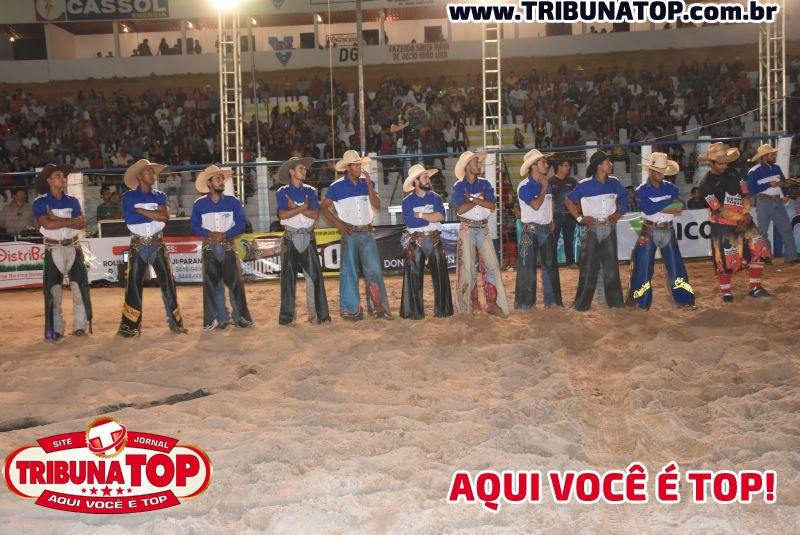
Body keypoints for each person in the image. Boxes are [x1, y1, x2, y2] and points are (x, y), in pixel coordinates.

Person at [117, 159, 188, 337]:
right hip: (141, 244)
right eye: (148, 172)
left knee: (168, 284)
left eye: (152, 171)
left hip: (154, 243)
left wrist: (140, 211)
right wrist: (154, 215)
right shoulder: (129, 197)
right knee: (133, 286)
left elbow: (165, 217)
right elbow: (131, 220)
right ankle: (131, 328)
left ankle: (175, 324)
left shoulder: (159, 195)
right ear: (139, 176)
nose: (152, 174)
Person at [320, 150, 392, 321]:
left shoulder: (367, 183)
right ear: (348, 168)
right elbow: (324, 207)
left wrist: (369, 186)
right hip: (350, 232)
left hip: (366, 231)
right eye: (356, 165)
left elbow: (377, 205)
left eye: (360, 164)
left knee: (374, 271)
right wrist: (338, 223)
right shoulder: (336, 187)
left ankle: (378, 308)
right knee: (349, 272)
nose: (359, 167)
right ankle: (351, 310)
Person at [699, 142, 772, 302]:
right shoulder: (705, 184)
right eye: (720, 163)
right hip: (722, 226)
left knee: (759, 248)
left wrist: (746, 213)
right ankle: (727, 292)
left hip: (744, 219)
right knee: (725, 259)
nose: (724, 165)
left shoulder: (735, 173)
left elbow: (745, 193)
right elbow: (717, 209)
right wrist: (741, 218)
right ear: (711, 163)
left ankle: (755, 287)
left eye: (726, 162)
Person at [32, 164, 92, 340]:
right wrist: (70, 221)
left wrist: (56, 218)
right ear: (49, 180)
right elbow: (46, 224)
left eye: (62, 175)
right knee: (54, 292)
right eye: (58, 175)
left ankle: (79, 326)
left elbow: (81, 224)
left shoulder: (72, 200)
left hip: (72, 246)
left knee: (79, 290)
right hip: (55, 248)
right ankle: (56, 329)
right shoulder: (40, 201)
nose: (62, 178)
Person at [627, 153, 695, 309]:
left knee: (672, 265)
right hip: (654, 229)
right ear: (651, 171)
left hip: (654, 229)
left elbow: (678, 208)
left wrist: (660, 204)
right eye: (658, 170)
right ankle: (642, 302)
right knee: (646, 267)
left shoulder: (653, 189)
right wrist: (668, 203)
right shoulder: (659, 190)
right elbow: (649, 209)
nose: (661, 174)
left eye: (663, 171)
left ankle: (643, 301)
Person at [190, 165, 254, 330]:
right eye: (217, 179)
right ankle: (222, 318)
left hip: (225, 246)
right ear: (209, 184)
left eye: (221, 178)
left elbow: (241, 223)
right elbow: (194, 225)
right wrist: (211, 234)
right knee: (215, 285)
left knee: (234, 284)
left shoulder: (233, 202)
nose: (221, 181)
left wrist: (225, 234)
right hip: (212, 247)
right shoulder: (199, 204)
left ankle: (238, 317)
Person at [565, 150, 628, 311]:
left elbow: (625, 197)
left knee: (611, 266)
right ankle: (583, 304)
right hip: (593, 228)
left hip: (607, 226)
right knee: (588, 267)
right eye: (608, 162)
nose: (611, 164)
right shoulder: (584, 184)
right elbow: (568, 201)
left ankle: (613, 303)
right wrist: (579, 218)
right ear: (599, 165)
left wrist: (618, 213)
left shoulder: (614, 182)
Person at [451, 151, 509, 315]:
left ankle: (488, 303)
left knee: (492, 265)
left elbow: (491, 206)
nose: (479, 165)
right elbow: (460, 210)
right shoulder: (460, 186)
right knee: (468, 267)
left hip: (479, 228)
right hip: (470, 228)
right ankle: (471, 304)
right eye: (475, 163)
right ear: (468, 167)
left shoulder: (482, 183)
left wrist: (472, 199)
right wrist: (480, 200)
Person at [275, 156, 330, 325]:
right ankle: (288, 316)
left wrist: (296, 209)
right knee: (289, 279)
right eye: (301, 168)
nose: (304, 171)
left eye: (305, 169)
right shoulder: (282, 191)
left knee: (315, 278)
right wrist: (304, 207)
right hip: (292, 237)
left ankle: (319, 315)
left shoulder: (311, 190)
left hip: (305, 236)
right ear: (292, 171)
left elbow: (315, 214)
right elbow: (282, 215)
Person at [399, 164, 453, 319]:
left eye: (427, 176)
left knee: (441, 277)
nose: (428, 179)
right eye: (424, 177)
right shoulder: (407, 201)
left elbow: (441, 217)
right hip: (417, 241)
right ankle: (415, 312)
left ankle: (442, 311)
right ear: (416, 182)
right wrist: (430, 216)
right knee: (414, 277)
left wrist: (420, 214)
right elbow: (410, 223)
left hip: (434, 238)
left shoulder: (435, 197)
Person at [515, 149, 563, 309]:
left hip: (543, 228)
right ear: (533, 166)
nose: (547, 165)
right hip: (532, 229)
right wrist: (543, 188)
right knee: (529, 268)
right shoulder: (525, 186)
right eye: (543, 162)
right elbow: (535, 205)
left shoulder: (542, 184)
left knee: (548, 267)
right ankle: (526, 304)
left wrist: (551, 219)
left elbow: (549, 204)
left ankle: (552, 302)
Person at [747, 143, 798, 264]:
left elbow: (783, 182)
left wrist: (785, 195)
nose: (774, 156)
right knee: (763, 231)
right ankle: (766, 257)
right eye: (772, 155)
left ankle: (791, 257)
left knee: (785, 228)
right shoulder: (754, 171)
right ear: (764, 156)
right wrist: (769, 184)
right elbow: (751, 189)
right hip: (764, 201)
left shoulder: (776, 168)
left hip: (777, 201)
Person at [549, 157, 578, 265]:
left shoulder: (573, 181)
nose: (568, 167)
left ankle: (570, 262)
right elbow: (548, 200)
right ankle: (552, 263)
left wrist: (576, 211)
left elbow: (579, 197)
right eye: (565, 165)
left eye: (568, 166)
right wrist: (550, 217)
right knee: (553, 240)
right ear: (559, 167)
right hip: (556, 215)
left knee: (569, 240)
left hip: (570, 215)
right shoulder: (550, 181)